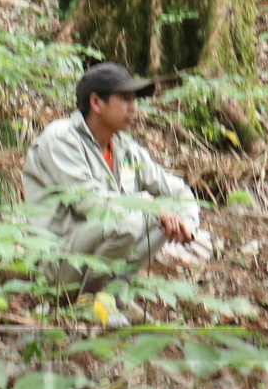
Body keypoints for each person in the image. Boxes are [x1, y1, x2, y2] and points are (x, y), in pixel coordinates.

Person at [22, 61, 202, 297]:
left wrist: (187, 223)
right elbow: (89, 203)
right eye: (125, 99)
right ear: (96, 103)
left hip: (91, 255)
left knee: (154, 216)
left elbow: (178, 191)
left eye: (134, 99)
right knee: (129, 222)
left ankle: (110, 298)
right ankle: (84, 302)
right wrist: (150, 206)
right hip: (57, 261)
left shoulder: (124, 147)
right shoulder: (61, 138)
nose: (133, 108)